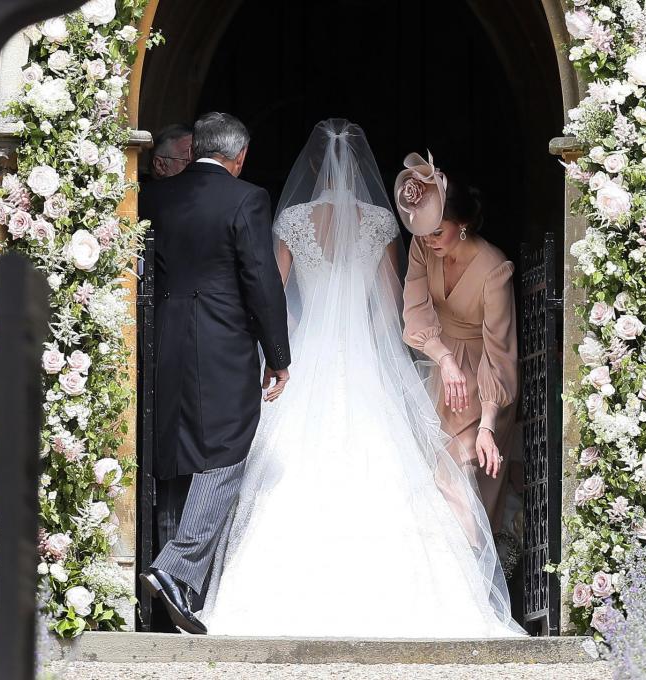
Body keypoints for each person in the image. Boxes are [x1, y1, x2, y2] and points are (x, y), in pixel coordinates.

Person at [200, 119, 524, 638]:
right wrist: (387, 362)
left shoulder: (294, 221)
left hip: (304, 357)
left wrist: (280, 351)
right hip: (365, 361)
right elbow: (390, 303)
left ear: (309, 168)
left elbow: (273, 296)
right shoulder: (378, 222)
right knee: (391, 465)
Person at [137, 112, 291, 635]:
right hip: (222, 342)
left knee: (177, 450)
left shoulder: (157, 197)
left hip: (164, 340)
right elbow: (261, 278)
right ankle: (175, 570)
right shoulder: (246, 198)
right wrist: (278, 354)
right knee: (226, 449)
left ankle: (171, 587)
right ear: (240, 156)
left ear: (197, 147)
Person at [397, 152, 520, 538]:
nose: (430, 241)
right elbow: (415, 311)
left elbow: (500, 354)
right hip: (437, 374)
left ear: (463, 224)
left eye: (438, 231)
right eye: (425, 232)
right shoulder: (421, 248)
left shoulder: (494, 269)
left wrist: (487, 425)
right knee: (424, 483)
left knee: (458, 484)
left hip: (484, 389)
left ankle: (472, 590)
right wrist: (444, 358)